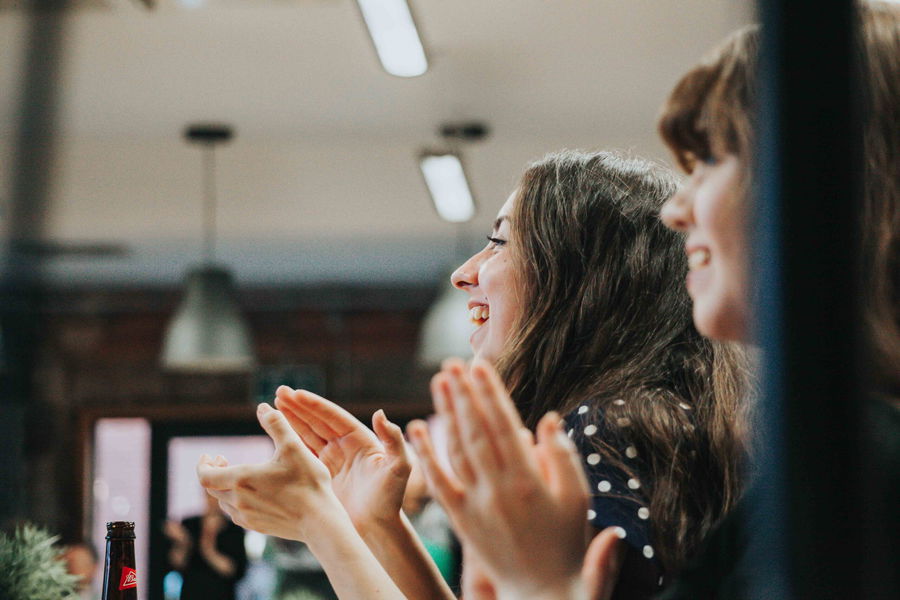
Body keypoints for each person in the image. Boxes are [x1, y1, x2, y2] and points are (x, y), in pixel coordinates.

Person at [199, 150, 751, 600]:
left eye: (500, 242)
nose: (464, 275)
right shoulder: (652, 419)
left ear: (580, 281)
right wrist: (375, 523)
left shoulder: (604, 433)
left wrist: (322, 523)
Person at [164, 489, 249, 600]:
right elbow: (176, 563)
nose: (213, 501)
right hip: (192, 592)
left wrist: (209, 540)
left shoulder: (234, 530)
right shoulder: (190, 524)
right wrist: (183, 543)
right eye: (210, 496)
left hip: (221, 594)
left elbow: (234, 570)